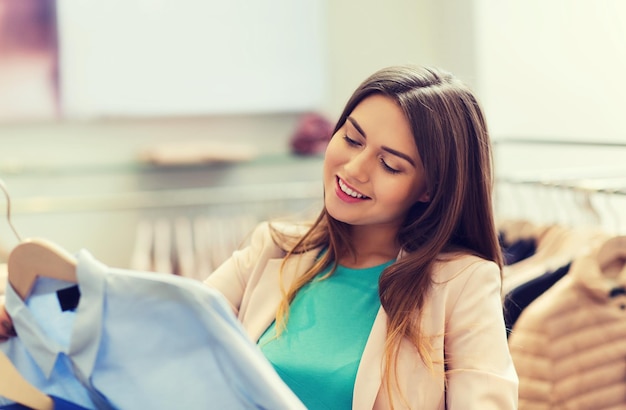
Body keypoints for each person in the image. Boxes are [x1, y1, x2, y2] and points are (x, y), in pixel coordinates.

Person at [1, 65, 519, 409]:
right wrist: (32, 319)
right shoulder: (274, 248)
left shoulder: (461, 284)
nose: (354, 168)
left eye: (389, 164)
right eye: (351, 138)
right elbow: (166, 336)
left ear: (430, 189)